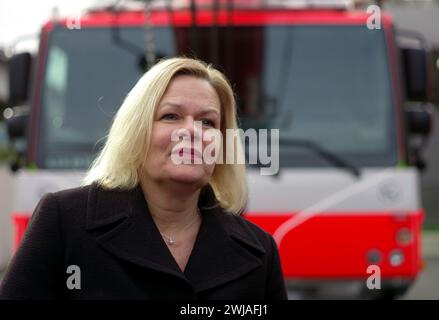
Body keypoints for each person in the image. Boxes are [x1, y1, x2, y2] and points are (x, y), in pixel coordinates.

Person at [0, 57, 287, 300]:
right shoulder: (64, 220)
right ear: (135, 132)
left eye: (208, 122)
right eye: (171, 116)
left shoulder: (260, 251)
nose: (192, 131)